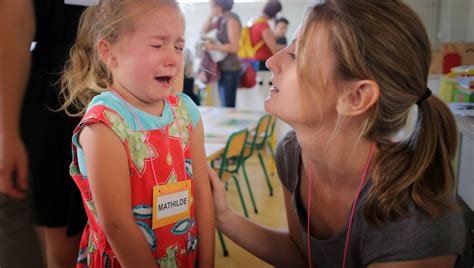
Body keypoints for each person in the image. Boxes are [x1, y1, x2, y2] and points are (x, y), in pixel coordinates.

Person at [208, 0, 468, 267]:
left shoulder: (414, 223)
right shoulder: (292, 152)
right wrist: (224, 217)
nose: (272, 61)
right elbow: (302, 255)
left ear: (356, 97)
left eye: (298, 55)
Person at [59, 0, 215, 267]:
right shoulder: (104, 124)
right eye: (157, 45)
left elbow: (202, 192)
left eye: (178, 46)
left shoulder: (186, 112)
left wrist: (208, 261)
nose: (173, 57)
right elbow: (118, 225)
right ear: (110, 53)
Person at [0, 1, 87, 267]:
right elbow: (14, 25)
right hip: (56, 102)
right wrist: (7, 134)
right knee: (63, 254)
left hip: (133, 85)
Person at [201, 0, 242, 108]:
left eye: (212, 5)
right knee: (225, 104)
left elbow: (234, 47)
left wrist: (213, 47)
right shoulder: (221, 19)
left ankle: (233, 125)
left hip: (231, 68)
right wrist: (211, 16)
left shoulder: (231, 19)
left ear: (219, 5)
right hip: (222, 67)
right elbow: (203, 30)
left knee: (228, 105)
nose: (210, 7)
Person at [249, 0, 285, 71]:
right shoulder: (264, 26)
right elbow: (274, 48)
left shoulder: (255, 23)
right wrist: (288, 47)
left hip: (255, 61)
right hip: (263, 62)